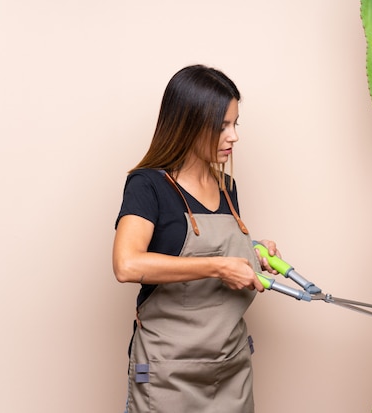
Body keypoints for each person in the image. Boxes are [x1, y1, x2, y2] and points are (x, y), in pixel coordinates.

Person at [113, 64, 280, 413]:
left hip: (231, 368)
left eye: (235, 124)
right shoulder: (148, 186)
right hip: (168, 374)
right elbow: (127, 264)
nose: (234, 136)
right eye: (222, 127)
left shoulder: (227, 187)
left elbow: (217, 248)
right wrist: (219, 267)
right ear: (188, 124)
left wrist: (253, 251)